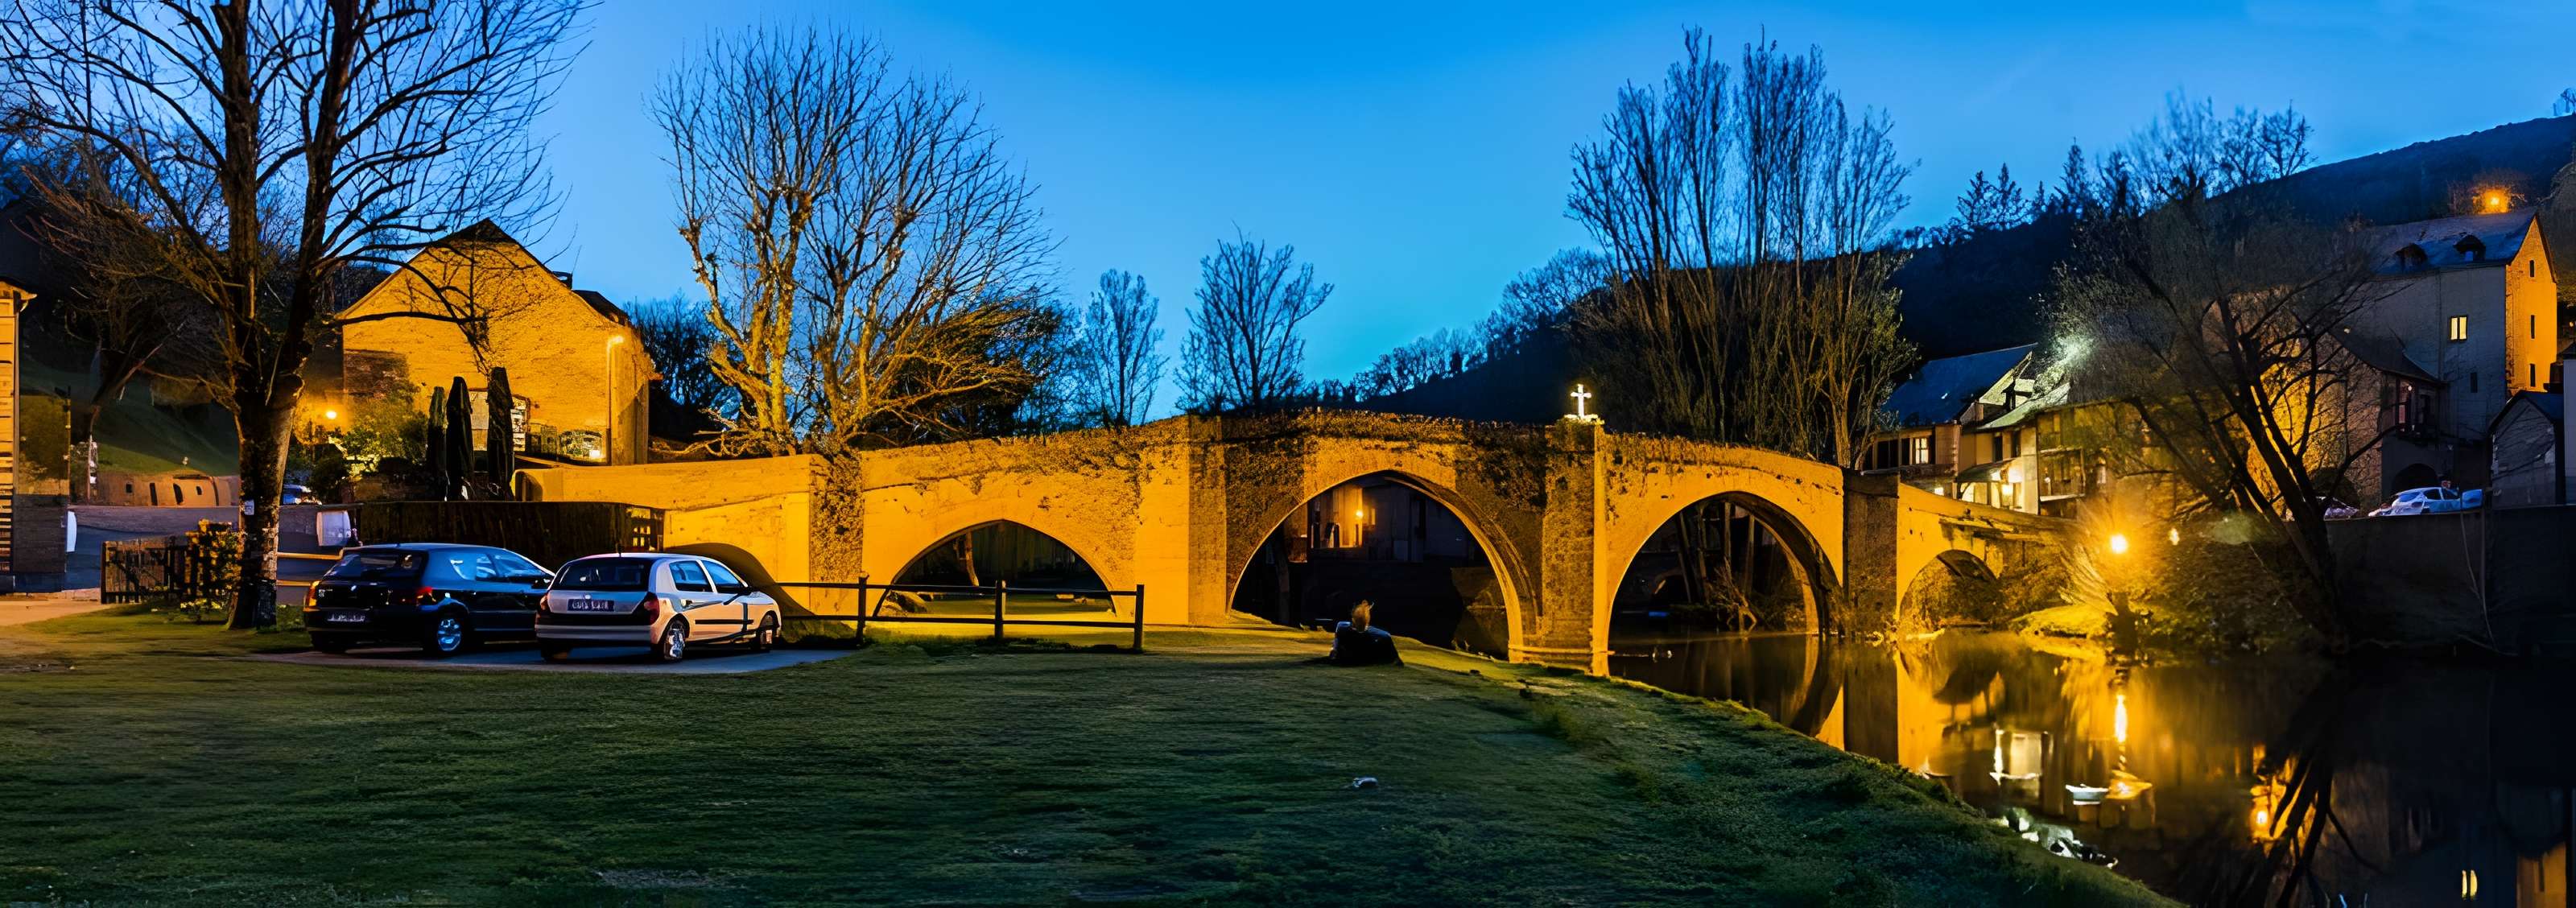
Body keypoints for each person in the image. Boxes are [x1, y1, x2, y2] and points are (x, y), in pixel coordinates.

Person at [1329, 601, 1403, 667]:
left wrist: (1334, 650)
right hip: (1367, 661)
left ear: (1352, 618)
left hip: (1347, 661)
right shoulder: (1383, 636)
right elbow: (1396, 660)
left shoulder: (1341, 626)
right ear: (1368, 621)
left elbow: (1336, 647)